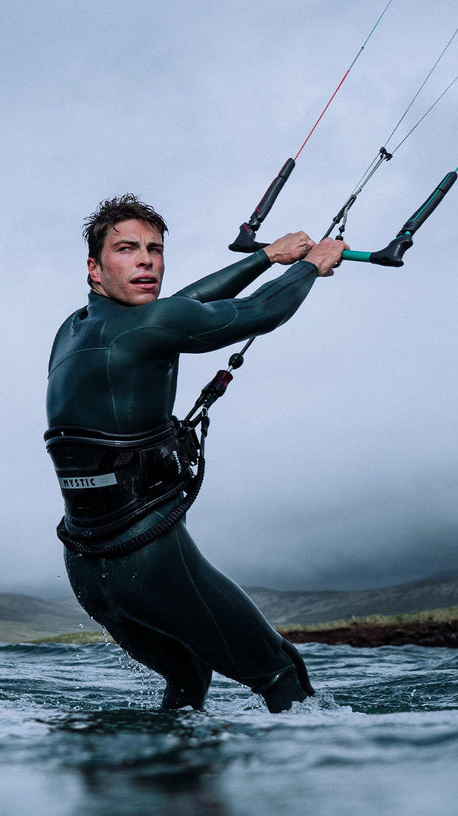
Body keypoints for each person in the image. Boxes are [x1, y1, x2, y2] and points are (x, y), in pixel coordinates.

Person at [45, 194, 345, 712]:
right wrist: (310, 267)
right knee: (281, 676)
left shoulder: (72, 330)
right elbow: (260, 311)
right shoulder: (150, 326)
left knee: (187, 677)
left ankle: (163, 767)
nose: (145, 260)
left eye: (155, 250)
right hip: (149, 559)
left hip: (89, 570)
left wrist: (265, 257)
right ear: (95, 268)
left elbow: (181, 307)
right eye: (127, 249)